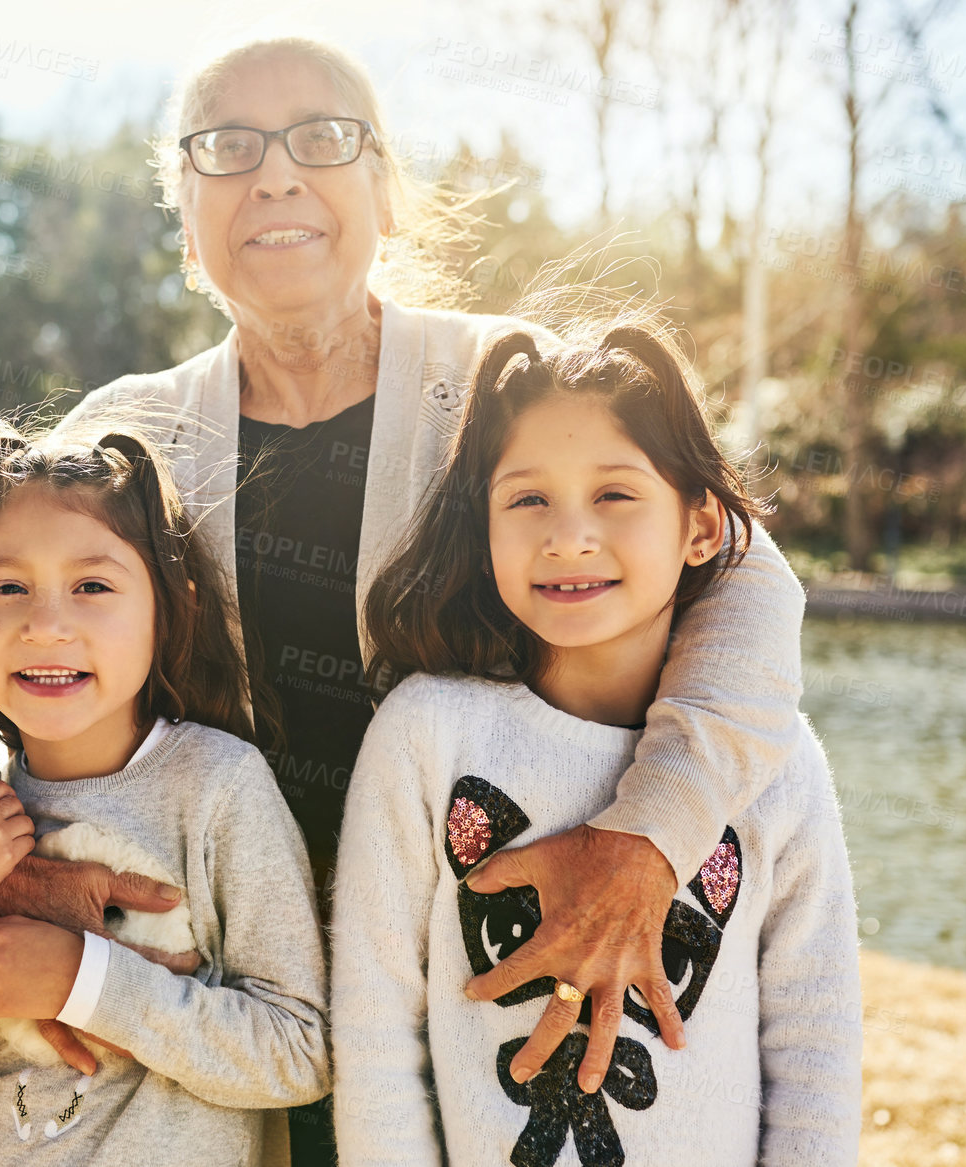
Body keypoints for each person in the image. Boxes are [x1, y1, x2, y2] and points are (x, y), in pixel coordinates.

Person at [0, 35, 810, 1164]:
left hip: (480, 974)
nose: (273, 176)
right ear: (184, 207)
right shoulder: (134, 434)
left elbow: (742, 569)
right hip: (217, 992)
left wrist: (648, 837)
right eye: (225, 147)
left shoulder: (504, 382)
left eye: (323, 138)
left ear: (386, 187)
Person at [330, 318, 861, 1166]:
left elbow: (816, 1047)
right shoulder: (426, 735)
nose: (568, 534)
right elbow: (374, 1035)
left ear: (700, 527)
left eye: (615, 494)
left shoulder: (775, 763)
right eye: (527, 497)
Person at [0, 419, 329, 1165]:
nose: (47, 625)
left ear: (172, 607)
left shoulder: (217, 788)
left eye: (93, 586)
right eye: (8, 587)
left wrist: (87, 981)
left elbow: (299, 1053)